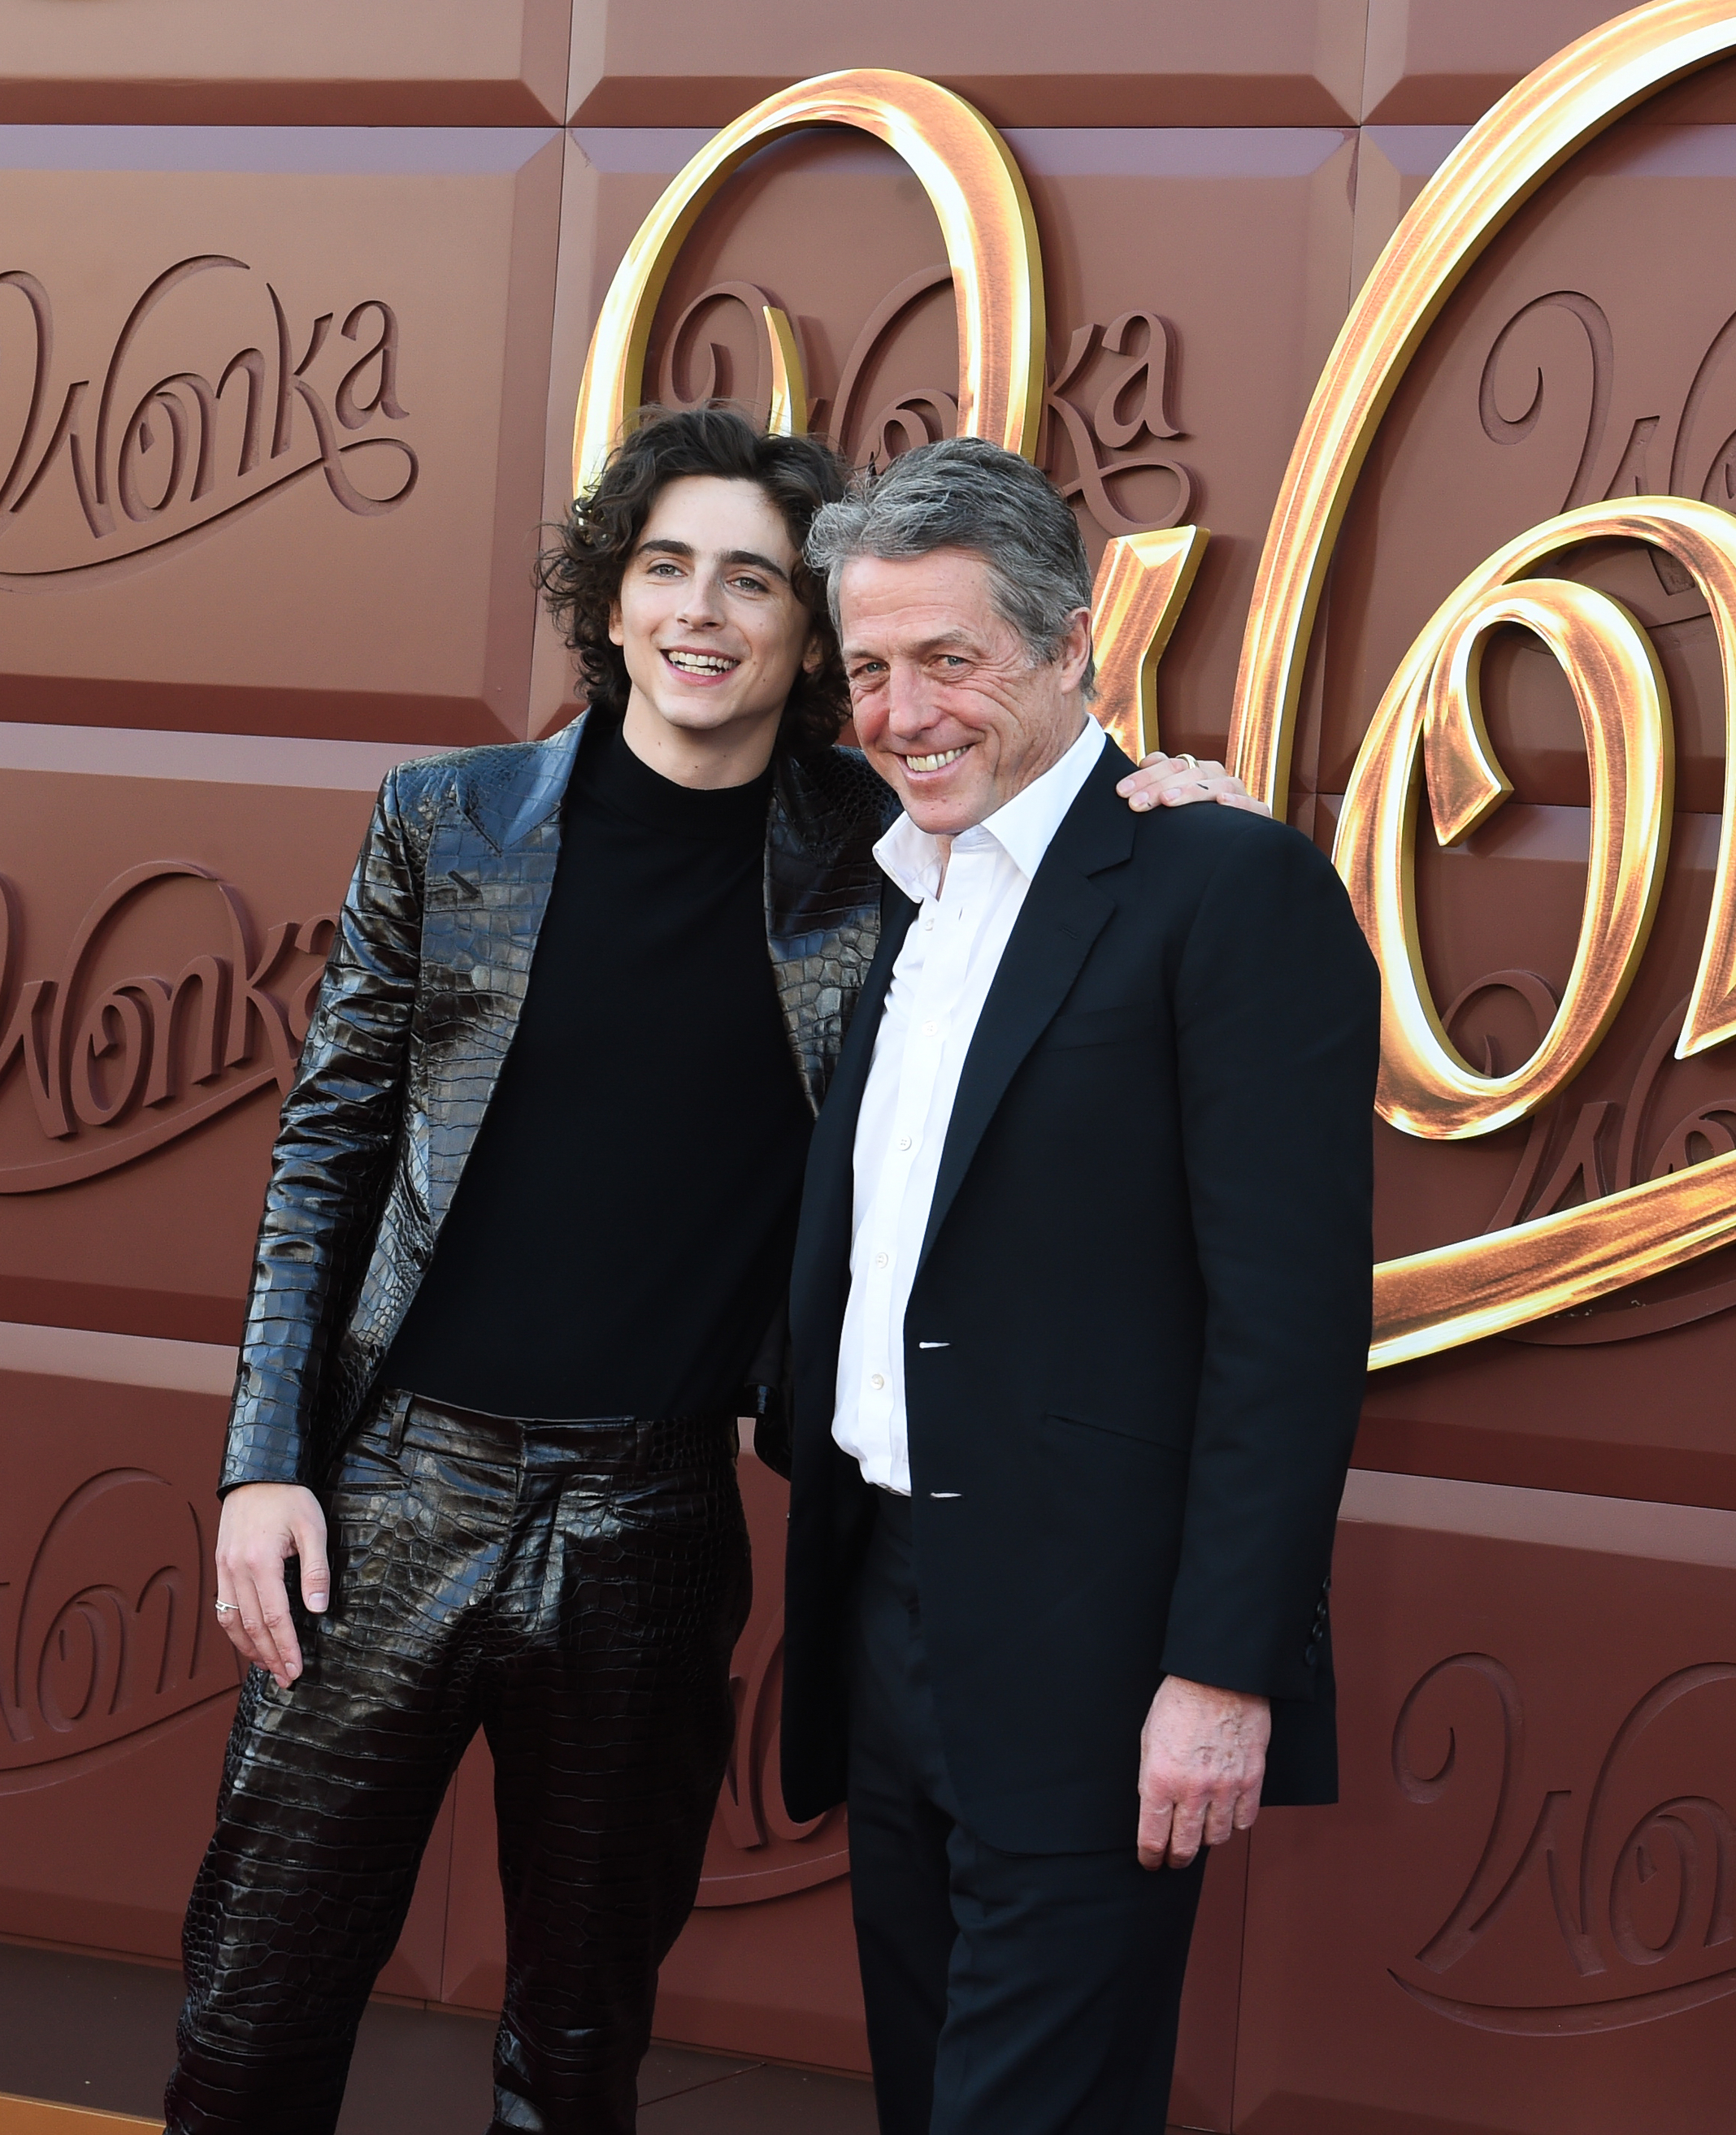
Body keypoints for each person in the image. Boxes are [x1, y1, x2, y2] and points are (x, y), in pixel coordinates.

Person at [171, 403, 1253, 2134]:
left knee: (582, 2034)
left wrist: (1176, 799)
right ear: (609, 600)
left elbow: (1074, 868)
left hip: (649, 1515)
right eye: (665, 565)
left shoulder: (884, 852)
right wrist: (260, 1461)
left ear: (808, 634)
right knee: (252, 2006)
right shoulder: (448, 824)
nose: (702, 609)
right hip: (389, 1490)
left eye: (753, 579)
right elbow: (325, 1157)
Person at [769, 435, 1374, 2135]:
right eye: (871, 669)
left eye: (948, 661)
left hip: (1099, 1646)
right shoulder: (901, 888)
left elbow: (1290, 1324)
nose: (903, 713)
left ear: (1067, 647)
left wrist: (1221, 1669)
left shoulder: (1223, 885)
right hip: (886, 1596)